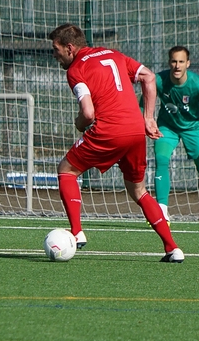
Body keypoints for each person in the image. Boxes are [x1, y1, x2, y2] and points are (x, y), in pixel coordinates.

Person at [49, 23, 184, 262]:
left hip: (109, 130)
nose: (55, 56)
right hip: (135, 130)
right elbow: (148, 77)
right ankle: (173, 248)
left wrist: (80, 124)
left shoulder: (75, 70)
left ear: (70, 48)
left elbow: (88, 113)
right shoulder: (114, 54)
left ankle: (77, 232)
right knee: (139, 191)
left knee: (66, 170)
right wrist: (149, 119)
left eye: (56, 50)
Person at [153, 45, 199, 230]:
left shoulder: (198, 84)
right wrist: (142, 121)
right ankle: (162, 212)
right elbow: (143, 102)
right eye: (173, 61)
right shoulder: (158, 80)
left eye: (181, 62)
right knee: (161, 159)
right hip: (167, 126)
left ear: (188, 63)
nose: (177, 66)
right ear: (169, 62)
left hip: (193, 128)